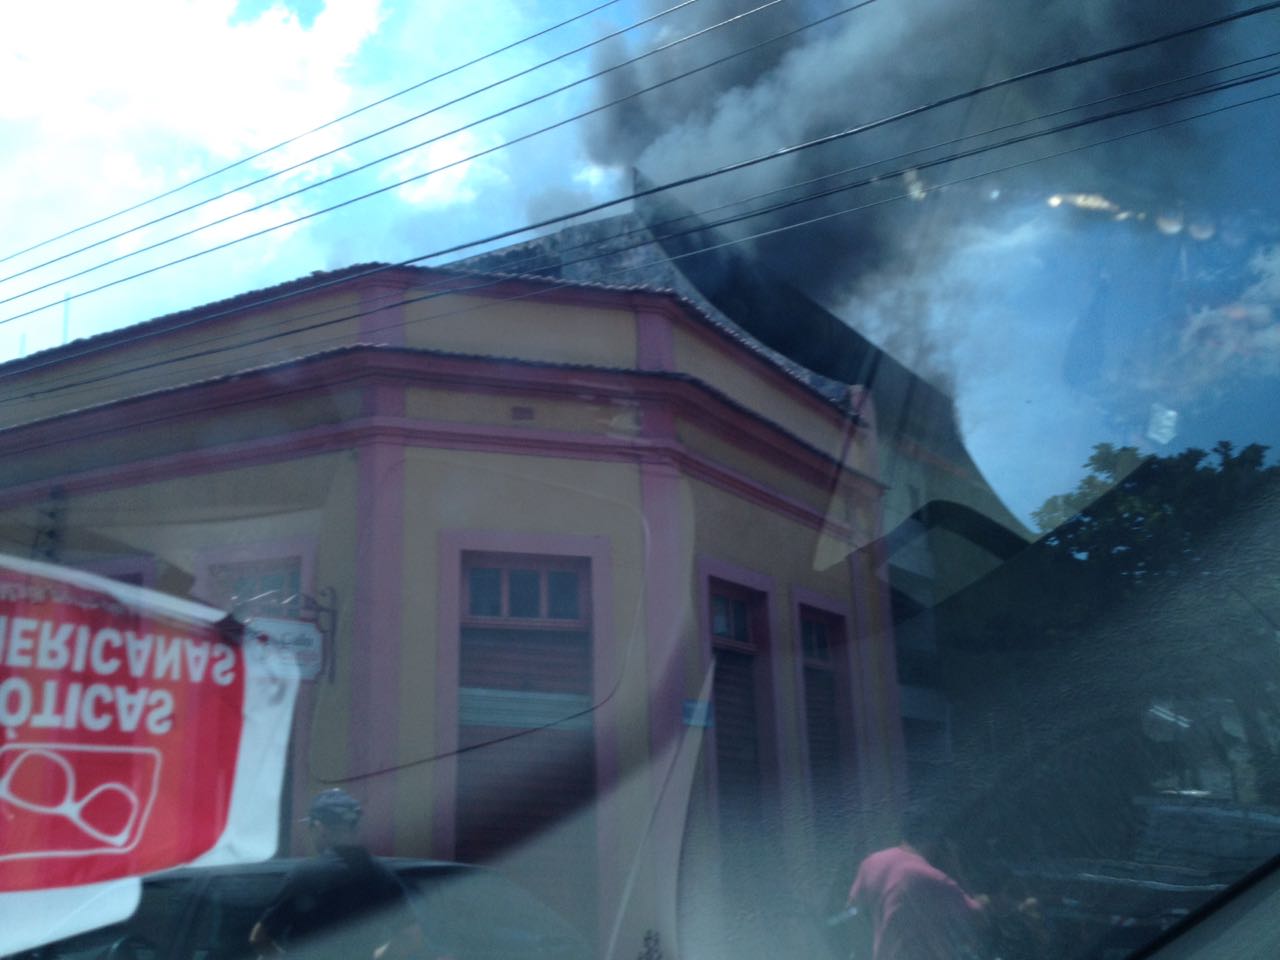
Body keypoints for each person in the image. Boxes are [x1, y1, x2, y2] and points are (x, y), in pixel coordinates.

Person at [250, 789, 421, 960]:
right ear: (355, 827)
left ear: (319, 827)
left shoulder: (304, 875)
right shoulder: (381, 875)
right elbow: (410, 936)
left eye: (310, 828)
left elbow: (259, 938)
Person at [846, 813, 988, 960]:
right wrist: (956, 865)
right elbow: (978, 916)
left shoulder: (872, 862)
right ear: (934, 840)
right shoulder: (930, 877)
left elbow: (852, 912)